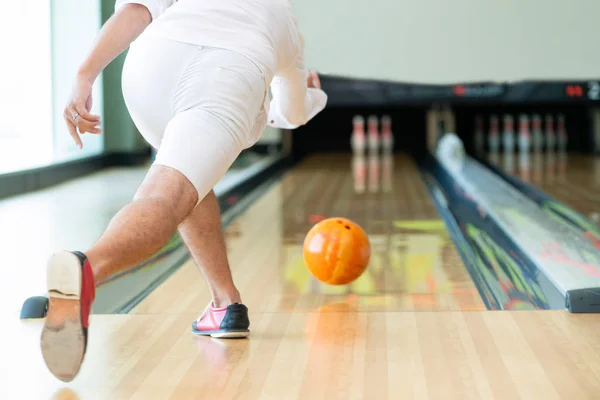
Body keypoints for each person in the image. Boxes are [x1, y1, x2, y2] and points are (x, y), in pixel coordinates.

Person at [41, 0, 327, 382]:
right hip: (227, 73)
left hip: (150, 66)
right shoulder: (284, 20)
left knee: (187, 177)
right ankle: (86, 270)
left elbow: (136, 11)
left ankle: (226, 304)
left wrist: (84, 75)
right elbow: (291, 112)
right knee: (166, 198)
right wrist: (313, 97)